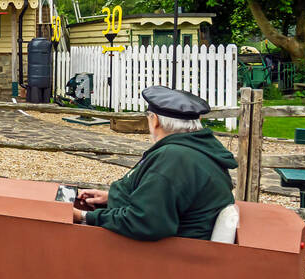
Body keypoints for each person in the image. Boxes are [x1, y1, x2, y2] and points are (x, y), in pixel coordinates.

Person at [72, 86, 237, 241]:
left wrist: (84, 217)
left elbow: (144, 221)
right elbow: (161, 199)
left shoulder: (174, 158)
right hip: (185, 245)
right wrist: (113, 198)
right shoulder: (197, 149)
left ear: (155, 120)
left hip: (168, 256)